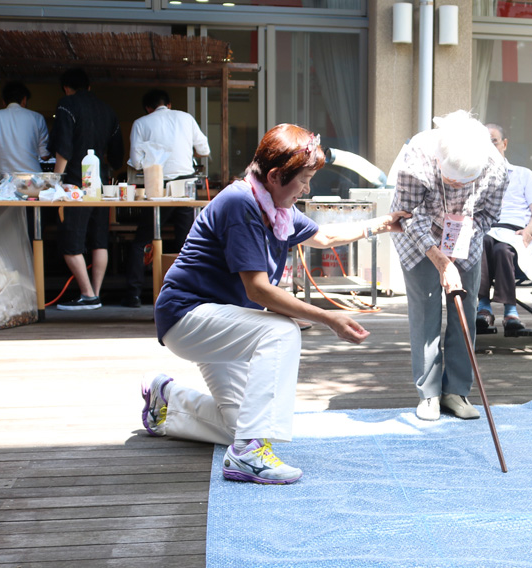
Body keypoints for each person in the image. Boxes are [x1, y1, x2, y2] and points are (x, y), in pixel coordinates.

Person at [140, 123, 409, 484]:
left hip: (221, 319)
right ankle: (249, 453)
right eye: (303, 180)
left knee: (237, 423)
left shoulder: (274, 206)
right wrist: (329, 317)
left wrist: (383, 224)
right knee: (281, 331)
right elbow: (258, 291)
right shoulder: (241, 203)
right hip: (188, 316)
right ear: (275, 175)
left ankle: (167, 399)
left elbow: (324, 236)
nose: (307, 189)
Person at [390, 110, 508, 421]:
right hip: (417, 233)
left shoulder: (496, 167)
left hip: (465, 233)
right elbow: (408, 218)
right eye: (450, 179)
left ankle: (456, 391)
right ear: (439, 162)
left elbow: (487, 216)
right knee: (426, 309)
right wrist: (440, 260)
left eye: (464, 181)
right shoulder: (416, 160)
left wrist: (455, 253)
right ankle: (428, 393)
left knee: (464, 309)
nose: (456, 185)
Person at [123, 89, 210, 307]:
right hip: (186, 186)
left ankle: (133, 293)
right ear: (168, 104)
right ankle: (188, 291)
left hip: (157, 186)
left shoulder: (141, 123)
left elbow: (135, 160)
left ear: (148, 108)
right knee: (187, 242)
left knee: (142, 240)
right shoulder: (186, 118)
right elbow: (204, 150)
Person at [51, 68, 125, 311]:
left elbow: (63, 147)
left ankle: (88, 294)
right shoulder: (108, 109)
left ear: (66, 88)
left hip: (73, 184)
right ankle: (95, 293)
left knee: (71, 240)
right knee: (99, 240)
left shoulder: (66, 105)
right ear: (89, 86)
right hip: (100, 185)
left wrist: (56, 180)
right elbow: (117, 155)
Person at [477, 123, 532, 334]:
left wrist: (528, 231)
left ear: (504, 144)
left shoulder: (523, 174)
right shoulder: (475, 178)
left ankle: (510, 312)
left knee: (502, 249)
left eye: (494, 141)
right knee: (480, 244)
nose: (489, 147)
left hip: (515, 232)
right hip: (486, 230)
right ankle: (483, 309)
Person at [0, 81, 50, 176]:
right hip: (34, 179)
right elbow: (44, 155)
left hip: (6, 179)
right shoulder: (37, 118)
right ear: (24, 100)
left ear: (3, 102)